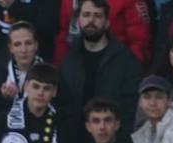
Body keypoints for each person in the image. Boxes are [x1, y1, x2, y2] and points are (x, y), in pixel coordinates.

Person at [57, 0, 142, 128]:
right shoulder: (69, 60)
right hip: (75, 138)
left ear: (107, 23)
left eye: (97, 16)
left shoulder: (126, 61)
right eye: (86, 15)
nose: (91, 20)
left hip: (113, 138)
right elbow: (63, 105)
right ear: (78, 20)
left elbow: (130, 107)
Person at [0, 63, 70, 143]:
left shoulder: (63, 123)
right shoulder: (2, 121)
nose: (40, 93)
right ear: (26, 87)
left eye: (46, 88)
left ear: (54, 92)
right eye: (36, 86)